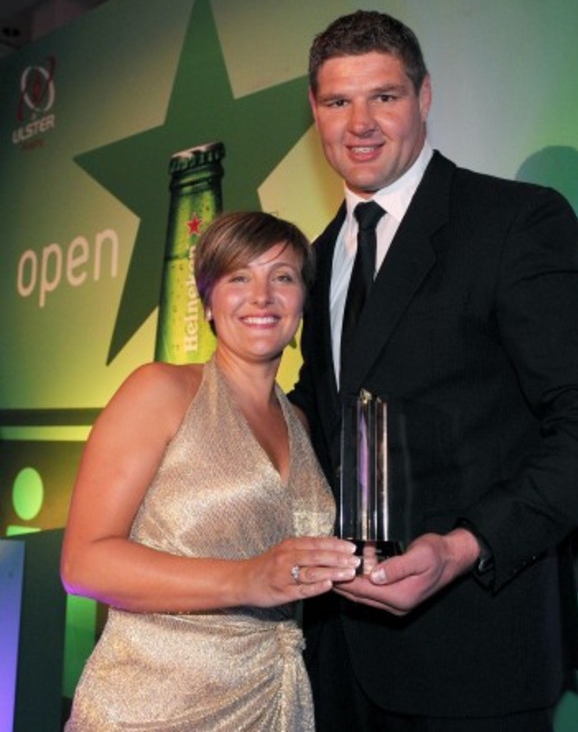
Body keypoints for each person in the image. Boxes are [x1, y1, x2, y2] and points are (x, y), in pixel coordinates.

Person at [290, 10, 578, 731]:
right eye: (337, 102)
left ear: (424, 98)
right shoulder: (315, 257)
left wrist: (464, 546)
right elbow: (321, 423)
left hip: (474, 651)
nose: (360, 122)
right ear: (315, 113)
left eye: (383, 96)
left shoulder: (512, 220)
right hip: (333, 663)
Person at [61, 211, 360, 730]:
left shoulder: (304, 424)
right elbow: (83, 564)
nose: (262, 296)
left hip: (274, 698)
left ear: (303, 302)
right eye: (238, 277)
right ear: (209, 301)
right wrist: (247, 579)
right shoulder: (160, 390)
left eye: (282, 277)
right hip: (152, 707)